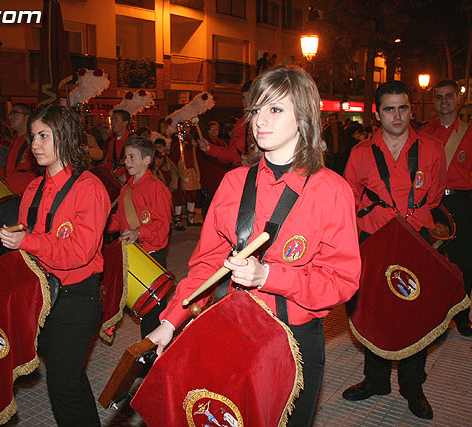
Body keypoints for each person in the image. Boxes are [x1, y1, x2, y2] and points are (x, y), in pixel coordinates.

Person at [147, 66, 361, 426]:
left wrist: (270, 277)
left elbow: (342, 282)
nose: (260, 120)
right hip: (229, 327)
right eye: (257, 110)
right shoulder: (233, 183)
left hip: (292, 339)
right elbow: (206, 266)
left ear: (304, 117)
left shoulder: (332, 190)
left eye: (275, 109)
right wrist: (171, 320)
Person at [0, 105, 109, 426]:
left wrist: (26, 242)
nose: (35, 144)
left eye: (44, 135)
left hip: (76, 299)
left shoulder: (89, 188)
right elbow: (26, 245)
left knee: (61, 385)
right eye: (33, 136)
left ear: (67, 136)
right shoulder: (32, 188)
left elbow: (79, 252)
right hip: (41, 296)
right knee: (68, 379)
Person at [342, 81, 446, 420]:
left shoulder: (432, 149)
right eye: (389, 109)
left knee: (417, 314)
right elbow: (349, 198)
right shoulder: (360, 153)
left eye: (402, 107)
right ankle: (376, 381)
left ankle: (413, 387)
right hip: (375, 244)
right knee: (375, 313)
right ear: (377, 113)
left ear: (411, 109)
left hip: (417, 243)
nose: (397, 115)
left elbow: (436, 195)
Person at [420, 79, 472, 337]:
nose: (444, 101)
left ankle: (462, 315)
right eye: (439, 97)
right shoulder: (423, 133)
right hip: (432, 203)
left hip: (462, 202)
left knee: (464, 261)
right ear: (434, 101)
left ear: (458, 100)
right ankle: (432, 313)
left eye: (449, 96)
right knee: (432, 261)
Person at [106, 136, 172, 337]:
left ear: (147, 160)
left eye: (132, 157)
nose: (126, 162)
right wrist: (100, 224)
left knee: (153, 311)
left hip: (151, 256)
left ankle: (154, 353)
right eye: (126, 157)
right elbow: (119, 220)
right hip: (133, 255)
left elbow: (162, 227)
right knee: (140, 307)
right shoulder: (127, 188)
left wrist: (139, 232)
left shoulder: (155, 187)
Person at [199, 81, 253, 167]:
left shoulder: (271, 121)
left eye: (249, 97)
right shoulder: (241, 125)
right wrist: (209, 148)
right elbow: (232, 154)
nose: (246, 102)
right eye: (243, 97)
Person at [1, 103, 39, 195]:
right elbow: (10, 172)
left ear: (27, 117)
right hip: (13, 196)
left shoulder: (35, 141)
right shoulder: (15, 141)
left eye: (15, 113)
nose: (11, 117)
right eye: (10, 113)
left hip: (27, 196)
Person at [198, 120, 231, 219]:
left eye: (216, 129)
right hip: (207, 174)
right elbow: (199, 159)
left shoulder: (222, 143)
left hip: (220, 174)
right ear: (207, 131)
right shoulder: (203, 143)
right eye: (212, 129)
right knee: (207, 200)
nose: (214, 131)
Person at [103, 109, 131, 183]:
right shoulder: (112, 142)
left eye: (116, 120)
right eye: (112, 120)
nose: (113, 123)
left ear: (125, 122)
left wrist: (126, 175)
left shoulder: (133, 141)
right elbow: (110, 162)